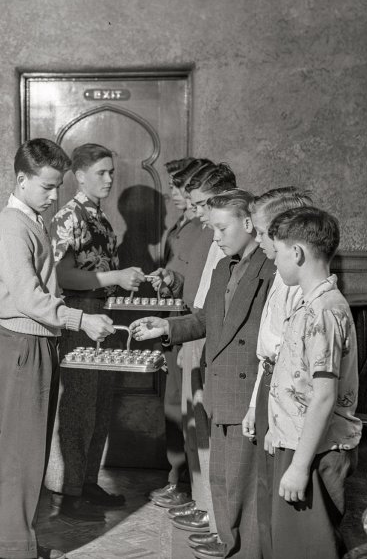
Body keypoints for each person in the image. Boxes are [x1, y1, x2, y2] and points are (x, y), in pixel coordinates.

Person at [0, 138, 116, 559]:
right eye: (46, 186)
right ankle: (13, 550)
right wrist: (80, 319)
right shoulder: (12, 225)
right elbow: (28, 297)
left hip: (37, 344)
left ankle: (21, 542)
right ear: (21, 180)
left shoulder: (32, 218)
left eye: (58, 186)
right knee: (20, 458)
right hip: (23, 345)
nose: (54, 195)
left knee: (30, 453)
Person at [132, 189, 274, 559]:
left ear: (248, 224)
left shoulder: (271, 269)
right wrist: (164, 328)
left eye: (222, 229)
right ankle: (229, 544)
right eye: (212, 229)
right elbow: (205, 319)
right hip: (221, 386)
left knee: (245, 485)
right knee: (223, 479)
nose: (215, 237)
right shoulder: (224, 266)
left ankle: (243, 550)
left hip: (250, 392)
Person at [44, 143, 146, 521]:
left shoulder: (100, 218)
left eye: (111, 172)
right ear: (79, 175)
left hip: (103, 314)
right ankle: (70, 495)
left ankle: (87, 484)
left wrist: (124, 281)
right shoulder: (68, 217)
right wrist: (115, 276)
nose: (109, 179)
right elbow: (63, 275)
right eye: (101, 172)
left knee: (100, 406)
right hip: (78, 315)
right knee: (78, 408)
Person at [264, 207, 362, 559]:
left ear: (297, 253)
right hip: (301, 441)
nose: (274, 263)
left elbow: (322, 397)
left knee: (307, 550)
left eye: (277, 253)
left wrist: (300, 466)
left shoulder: (323, 312)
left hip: (315, 450)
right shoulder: (312, 304)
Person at [151, 163, 235, 546]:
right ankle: (203, 504)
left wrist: (194, 339)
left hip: (206, 344)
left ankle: (212, 511)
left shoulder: (223, 240)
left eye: (200, 203)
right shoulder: (205, 233)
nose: (194, 210)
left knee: (202, 428)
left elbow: (212, 307)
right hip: (191, 332)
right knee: (190, 422)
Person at [240, 188, 313, 558]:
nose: (257, 239)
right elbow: (267, 354)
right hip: (271, 387)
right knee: (266, 496)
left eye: (264, 232)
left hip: (289, 398)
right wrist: (257, 404)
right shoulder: (279, 274)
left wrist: (279, 419)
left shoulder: (304, 287)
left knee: (283, 508)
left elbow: (294, 361)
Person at [148, 158, 213, 514]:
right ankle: (179, 480)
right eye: (177, 188)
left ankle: (188, 487)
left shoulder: (206, 230)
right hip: (177, 324)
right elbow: (184, 276)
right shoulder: (183, 226)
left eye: (180, 187)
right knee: (177, 405)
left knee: (190, 410)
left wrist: (174, 284)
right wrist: (168, 280)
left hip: (190, 327)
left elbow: (200, 290)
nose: (176, 195)